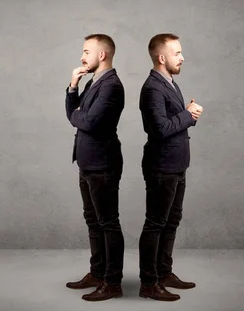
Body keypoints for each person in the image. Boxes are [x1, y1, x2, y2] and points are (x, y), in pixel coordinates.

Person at [137, 33, 203, 301]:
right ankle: (149, 283)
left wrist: (188, 114)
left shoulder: (171, 83)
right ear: (162, 58)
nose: (182, 57)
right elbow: (160, 129)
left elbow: (173, 121)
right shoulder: (152, 87)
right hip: (161, 167)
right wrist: (188, 115)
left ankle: (164, 272)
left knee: (171, 222)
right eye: (177, 53)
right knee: (156, 224)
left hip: (177, 165)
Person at [64, 34, 126, 301]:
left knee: (108, 223)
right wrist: (73, 86)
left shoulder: (111, 86)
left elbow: (89, 123)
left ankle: (112, 282)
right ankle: (98, 272)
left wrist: (78, 116)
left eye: (86, 51)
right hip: (87, 162)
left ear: (102, 55)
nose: (82, 56)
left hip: (103, 164)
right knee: (93, 221)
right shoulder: (93, 82)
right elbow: (74, 116)